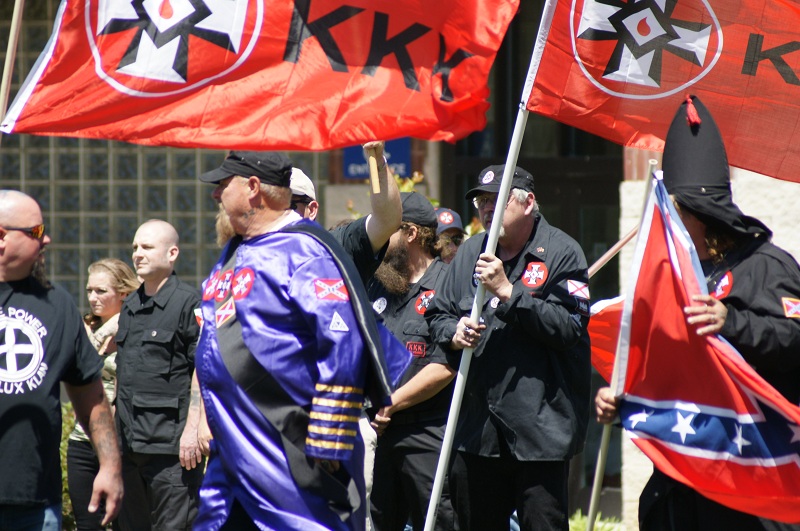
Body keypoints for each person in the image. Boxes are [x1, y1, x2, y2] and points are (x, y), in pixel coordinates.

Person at [595, 96, 800, 531]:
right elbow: (674, 367)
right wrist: (625, 401)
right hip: (681, 481)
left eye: (675, 211)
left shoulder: (766, 266)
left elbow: (794, 340)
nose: (665, 221)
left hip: (748, 486)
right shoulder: (677, 277)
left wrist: (734, 323)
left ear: (700, 214)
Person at [193, 150, 409, 530]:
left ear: (253, 188)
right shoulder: (235, 253)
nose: (215, 195)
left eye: (223, 185)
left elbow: (342, 345)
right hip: (235, 455)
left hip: (292, 457)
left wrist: (327, 441)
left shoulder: (309, 250)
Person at [425, 166, 592, 531]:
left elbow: (569, 327)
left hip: (539, 433)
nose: (487, 209)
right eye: (482, 202)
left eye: (497, 200)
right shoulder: (471, 252)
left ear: (528, 202)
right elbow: (437, 313)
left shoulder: (564, 252)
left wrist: (509, 293)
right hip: (477, 432)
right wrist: (454, 333)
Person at [0, 190, 123, 530]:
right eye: (36, 232)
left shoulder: (59, 304)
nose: (48, 238)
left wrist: (110, 468)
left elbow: (91, 396)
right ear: (1, 237)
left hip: (37, 506)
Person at [367, 192, 456, 531]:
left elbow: (445, 365)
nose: (377, 238)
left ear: (410, 234)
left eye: (385, 229)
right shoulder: (380, 283)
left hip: (428, 433)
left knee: (436, 523)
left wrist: (391, 404)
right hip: (381, 433)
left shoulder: (447, 284)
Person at [114, 219, 203, 531]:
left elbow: (204, 371)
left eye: (147, 247)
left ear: (172, 253)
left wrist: (193, 431)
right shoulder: (130, 305)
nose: (138, 253)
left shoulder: (189, 302)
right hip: (128, 448)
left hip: (171, 452)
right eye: (135, 247)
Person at [68, 259, 139, 531]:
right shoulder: (85, 330)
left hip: (121, 441)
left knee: (126, 523)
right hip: (82, 440)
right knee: (87, 524)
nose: (92, 298)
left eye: (101, 291)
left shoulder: (135, 327)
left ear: (123, 293)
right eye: (89, 291)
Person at [290, 141, 402, 284]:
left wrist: (378, 161)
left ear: (311, 210)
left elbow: (387, 220)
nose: (281, 214)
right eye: (272, 205)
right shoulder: (256, 255)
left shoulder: (336, 247)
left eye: (290, 205)